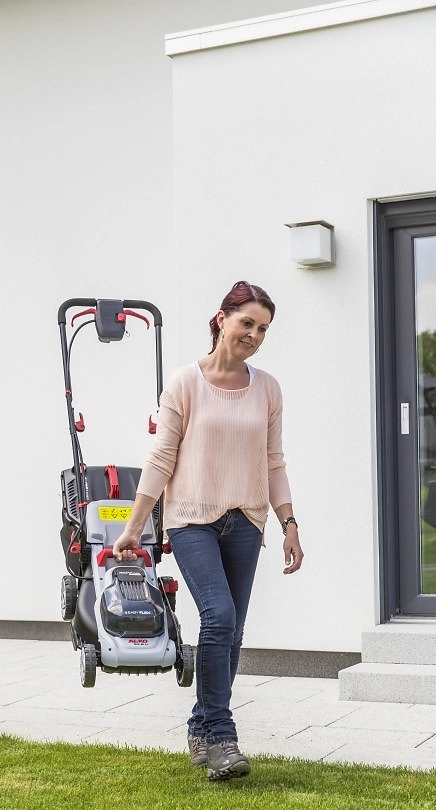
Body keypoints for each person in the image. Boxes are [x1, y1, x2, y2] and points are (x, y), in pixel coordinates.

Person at [112, 280, 303, 781]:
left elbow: (274, 462)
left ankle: (200, 725)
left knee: (232, 630)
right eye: (247, 323)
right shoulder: (184, 383)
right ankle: (221, 736)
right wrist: (134, 527)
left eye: (263, 329)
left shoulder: (268, 389)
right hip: (192, 519)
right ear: (222, 319)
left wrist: (288, 523)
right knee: (218, 615)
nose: (255, 335)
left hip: (247, 521)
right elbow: (161, 459)